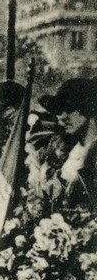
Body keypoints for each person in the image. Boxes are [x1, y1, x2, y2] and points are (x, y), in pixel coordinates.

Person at [40, 78, 97, 210]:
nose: (62, 116)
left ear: (88, 109)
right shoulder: (71, 151)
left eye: (70, 108)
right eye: (60, 110)